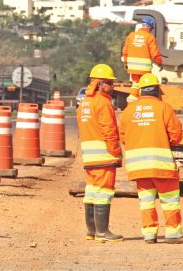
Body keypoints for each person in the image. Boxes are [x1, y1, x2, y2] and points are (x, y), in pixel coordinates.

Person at [118, 73, 183, 244]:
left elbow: (124, 137)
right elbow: (176, 135)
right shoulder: (164, 108)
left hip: (138, 168)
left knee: (146, 202)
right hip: (161, 166)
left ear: (141, 92)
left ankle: (149, 235)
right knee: (170, 201)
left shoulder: (129, 111)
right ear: (157, 91)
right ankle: (173, 234)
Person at [76, 63, 123, 242]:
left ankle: (92, 232)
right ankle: (103, 232)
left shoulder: (84, 103)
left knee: (92, 192)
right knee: (104, 193)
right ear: (101, 83)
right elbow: (109, 131)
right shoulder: (103, 103)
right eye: (110, 83)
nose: (112, 87)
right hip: (103, 157)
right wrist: (116, 152)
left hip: (89, 157)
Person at [122, 16, 163, 102]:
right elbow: (154, 53)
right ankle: (141, 101)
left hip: (132, 67)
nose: (151, 30)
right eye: (151, 28)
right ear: (148, 27)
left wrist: (126, 62)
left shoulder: (131, 35)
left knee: (135, 84)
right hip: (144, 69)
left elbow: (125, 51)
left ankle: (132, 100)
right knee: (146, 85)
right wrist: (159, 63)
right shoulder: (150, 37)